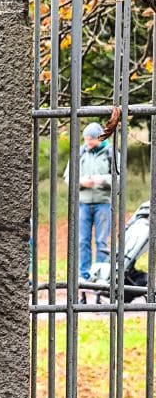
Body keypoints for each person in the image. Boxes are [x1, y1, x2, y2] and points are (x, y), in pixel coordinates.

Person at [64, 121, 114, 283]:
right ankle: (84, 274)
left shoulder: (111, 153)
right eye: (86, 139)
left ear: (100, 138)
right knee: (82, 240)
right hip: (83, 203)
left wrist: (102, 180)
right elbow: (67, 177)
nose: (88, 143)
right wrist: (80, 181)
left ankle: (101, 275)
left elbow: (119, 179)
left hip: (103, 203)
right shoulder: (79, 153)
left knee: (102, 241)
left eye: (91, 140)